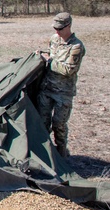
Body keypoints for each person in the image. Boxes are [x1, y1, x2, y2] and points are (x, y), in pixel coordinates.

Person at [35, 12, 85, 158]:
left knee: (59, 125)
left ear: (68, 26)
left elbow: (69, 69)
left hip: (63, 93)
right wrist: (41, 55)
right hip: (47, 89)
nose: (57, 31)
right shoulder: (54, 39)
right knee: (42, 123)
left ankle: (61, 153)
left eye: (60, 29)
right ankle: (45, 152)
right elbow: (51, 53)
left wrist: (49, 61)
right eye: (55, 28)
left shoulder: (76, 46)